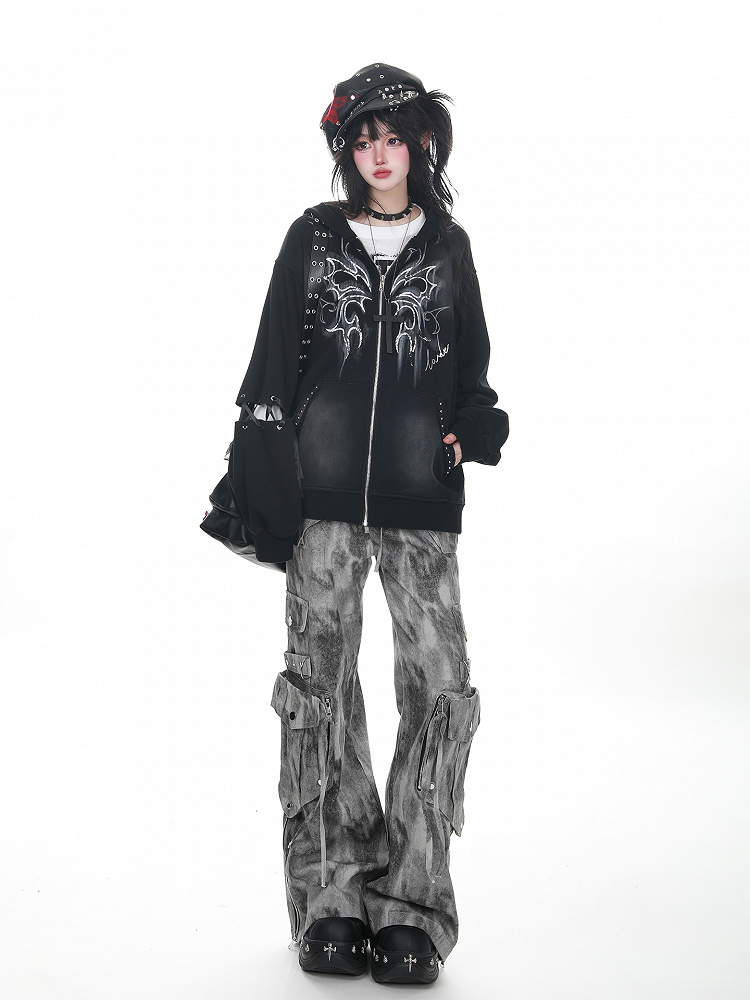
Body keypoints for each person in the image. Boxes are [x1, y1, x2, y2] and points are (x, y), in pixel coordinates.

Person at [231, 63, 509, 985]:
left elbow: (472, 370)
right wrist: (260, 470)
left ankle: (413, 908)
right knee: (319, 693)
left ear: (421, 142)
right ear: (345, 150)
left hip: (421, 501)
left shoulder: (449, 245)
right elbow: (272, 359)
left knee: (438, 691)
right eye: (362, 140)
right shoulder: (312, 237)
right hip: (319, 503)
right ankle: (332, 900)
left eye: (393, 138)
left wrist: (473, 429)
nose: (378, 155)